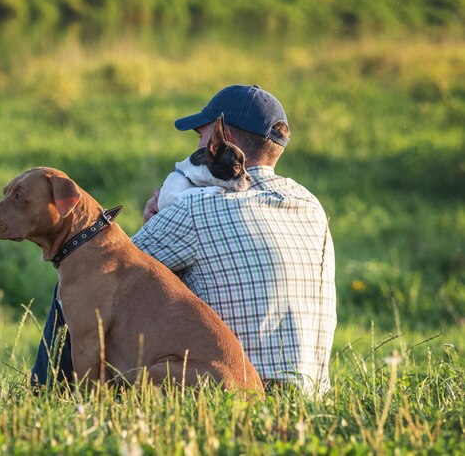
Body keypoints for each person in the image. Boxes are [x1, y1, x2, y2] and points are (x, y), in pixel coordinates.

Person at [32, 84, 337, 394]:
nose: (197, 147)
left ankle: (42, 395)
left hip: (226, 388)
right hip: (308, 396)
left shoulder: (196, 206)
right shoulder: (311, 205)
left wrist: (157, 219)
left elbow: (107, 271)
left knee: (80, 281)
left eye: (201, 137)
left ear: (222, 141)